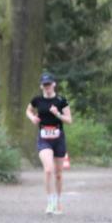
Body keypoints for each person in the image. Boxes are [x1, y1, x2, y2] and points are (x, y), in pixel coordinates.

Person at [25, 72, 72, 214]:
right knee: (48, 170)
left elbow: (69, 120)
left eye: (49, 84)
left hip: (58, 138)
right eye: (45, 85)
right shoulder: (37, 100)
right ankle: (50, 202)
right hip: (44, 138)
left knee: (58, 173)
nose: (47, 87)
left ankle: (58, 202)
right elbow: (28, 111)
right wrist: (32, 118)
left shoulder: (61, 101)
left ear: (54, 84)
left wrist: (57, 114)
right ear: (41, 86)